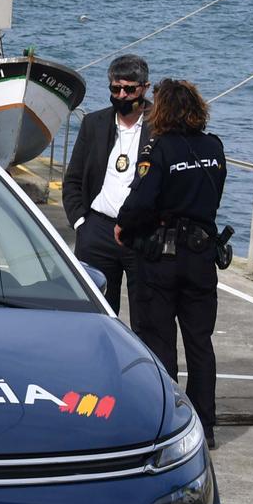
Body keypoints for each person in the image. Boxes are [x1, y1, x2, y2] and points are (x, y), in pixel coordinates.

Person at [115, 77, 227, 448]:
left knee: (159, 341)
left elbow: (142, 202)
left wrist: (124, 228)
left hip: (161, 258)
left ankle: (167, 422)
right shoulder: (214, 147)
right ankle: (205, 426)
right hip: (201, 257)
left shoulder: (157, 149)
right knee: (200, 343)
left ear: (162, 110)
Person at [61, 53, 152, 314]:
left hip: (140, 234)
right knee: (96, 312)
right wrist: (81, 223)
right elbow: (73, 179)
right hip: (97, 230)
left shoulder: (159, 126)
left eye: (129, 89)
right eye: (116, 88)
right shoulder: (94, 123)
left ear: (144, 88)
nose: (122, 95)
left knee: (146, 315)